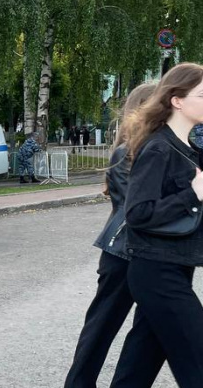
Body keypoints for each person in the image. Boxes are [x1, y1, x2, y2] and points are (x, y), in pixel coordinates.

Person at [109, 63, 203, 387]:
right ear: (177, 100)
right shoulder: (158, 148)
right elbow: (138, 213)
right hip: (156, 272)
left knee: (137, 368)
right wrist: (192, 194)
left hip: (175, 268)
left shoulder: (189, 151)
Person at [64, 83, 157, 387]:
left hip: (151, 258)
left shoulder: (158, 151)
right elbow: (140, 209)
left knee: (149, 332)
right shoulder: (125, 154)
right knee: (101, 328)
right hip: (122, 255)